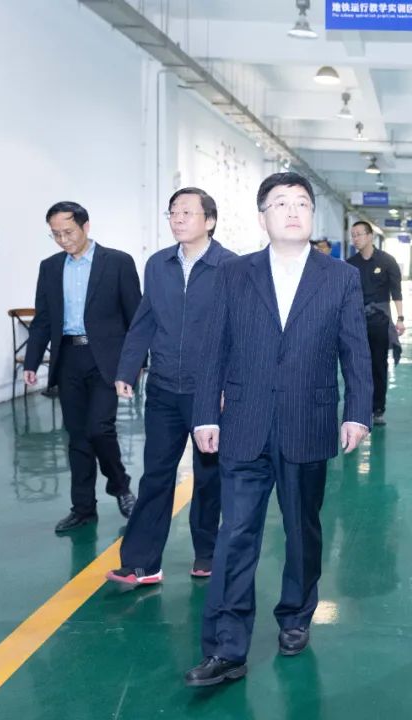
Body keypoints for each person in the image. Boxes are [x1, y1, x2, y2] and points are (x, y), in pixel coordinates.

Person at [183, 172, 372, 688]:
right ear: (262, 216)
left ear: (312, 215)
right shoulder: (234, 273)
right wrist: (205, 413)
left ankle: (295, 615)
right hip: (244, 423)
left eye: (302, 203)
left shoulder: (339, 277)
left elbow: (355, 349)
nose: (293, 211)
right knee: (235, 534)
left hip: (308, 422)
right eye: (281, 203)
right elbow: (213, 347)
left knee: (302, 529)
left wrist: (357, 411)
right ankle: (226, 648)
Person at [106, 187, 236, 588]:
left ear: (209, 220)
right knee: (156, 475)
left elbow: (240, 334)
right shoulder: (158, 264)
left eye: (186, 213)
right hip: (163, 387)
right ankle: (141, 562)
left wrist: (228, 386)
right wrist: (127, 369)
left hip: (208, 391)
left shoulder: (232, 267)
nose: (177, 219)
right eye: (173, 212)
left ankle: (207, 552)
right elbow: (144, 319)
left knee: (209, 476)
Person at [23, 201, 141, 533]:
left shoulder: (117, 262)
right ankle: (83, 508)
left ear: (86, 226)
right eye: (56, 234)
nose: (63, 240)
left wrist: (134, 366)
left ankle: (120, 486)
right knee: (77, 437)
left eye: (69, 232)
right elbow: (43, 319)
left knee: (99, 429)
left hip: (106, 359)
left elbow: (136, 317)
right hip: (68, 359)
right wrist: (32, 361)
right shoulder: (50, 267)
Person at [346, 221, 405, 426]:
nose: (355, 239)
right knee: (356, 365)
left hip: (379, 321)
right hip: (356, 321)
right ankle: (358, 406)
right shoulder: (350, 264)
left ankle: (378, 408)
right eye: (353, 235)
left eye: (359, 234)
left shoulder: (387, 261)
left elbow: (396, 291)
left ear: (370, 236)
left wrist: (400, 318)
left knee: (379, 365)